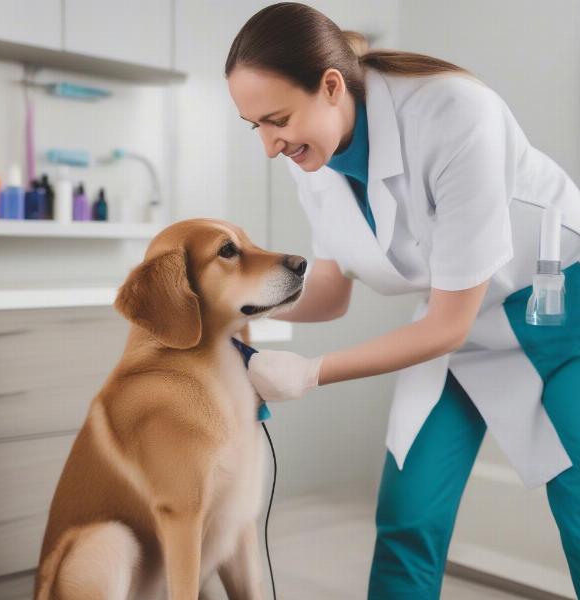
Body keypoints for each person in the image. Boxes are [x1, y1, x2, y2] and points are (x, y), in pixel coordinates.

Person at [225, 3, 580, 598]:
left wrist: (312, 372)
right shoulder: (308, 151)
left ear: (331, 86)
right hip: (459, 328)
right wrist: (238, 300)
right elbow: (332, 291)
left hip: (557, 312)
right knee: (407, 517)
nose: (268, 145)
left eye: (277, 119)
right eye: (254, 125)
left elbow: (446, 323)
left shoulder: (455, 112)